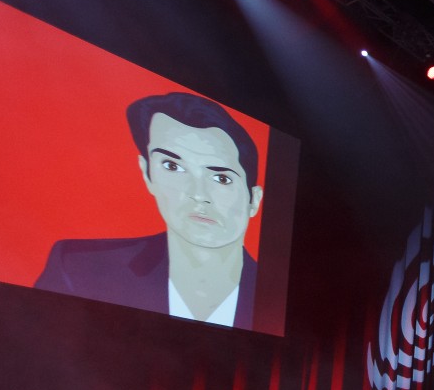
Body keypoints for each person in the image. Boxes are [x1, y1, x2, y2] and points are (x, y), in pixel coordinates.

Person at [34, 92, 265, 328]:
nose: (198, 194)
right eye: (172, 166)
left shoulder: (272, 298)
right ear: (147, 174)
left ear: (254, 200)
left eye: (221, 178)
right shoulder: (78, 269)